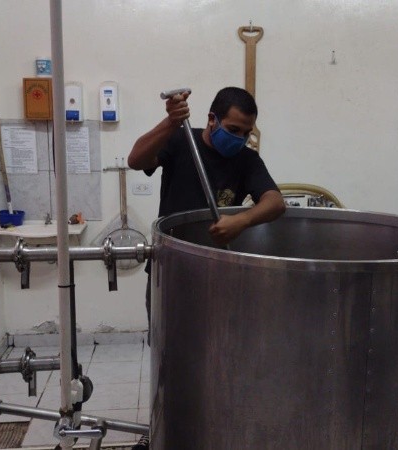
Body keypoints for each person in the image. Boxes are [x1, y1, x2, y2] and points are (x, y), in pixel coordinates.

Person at [127, 86, 285, 450]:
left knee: (219, 357)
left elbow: (275, 202)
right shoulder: (181, 141)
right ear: (211, 119)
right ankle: (165, 431)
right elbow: (136, 159)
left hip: (219, 275)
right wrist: (170, 122)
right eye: (233, 129)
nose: (239, 138)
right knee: (169, 355)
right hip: (171, 272)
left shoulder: (246, 160)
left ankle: (217, 430)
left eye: (246, 132)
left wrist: (242, 221)